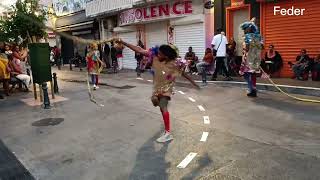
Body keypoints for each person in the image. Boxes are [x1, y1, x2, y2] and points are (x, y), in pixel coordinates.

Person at [116, 38, 200, 143]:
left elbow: (183, 74)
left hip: (167, 87)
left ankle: (168, 133)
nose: (158, 55)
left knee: (163, 106)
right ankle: (166, 126)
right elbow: (139, 50)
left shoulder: (174, 63)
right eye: (158, 53)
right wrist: (123, 42)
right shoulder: (155, 56)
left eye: (160, 54)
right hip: (157, 86)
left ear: (167, 56)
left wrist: (193, 83)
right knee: (158, 105)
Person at [239, 18, 263, 98]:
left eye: (245, 29)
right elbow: (262, 47)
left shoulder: (247, 36)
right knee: (253, 74)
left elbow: (247, 48)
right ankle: (253, 88)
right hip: (256, 57)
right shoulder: (259, 37)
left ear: (247, 29)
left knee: (246, 74)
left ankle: (251, 88)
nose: (244, 31)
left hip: (248, 57)